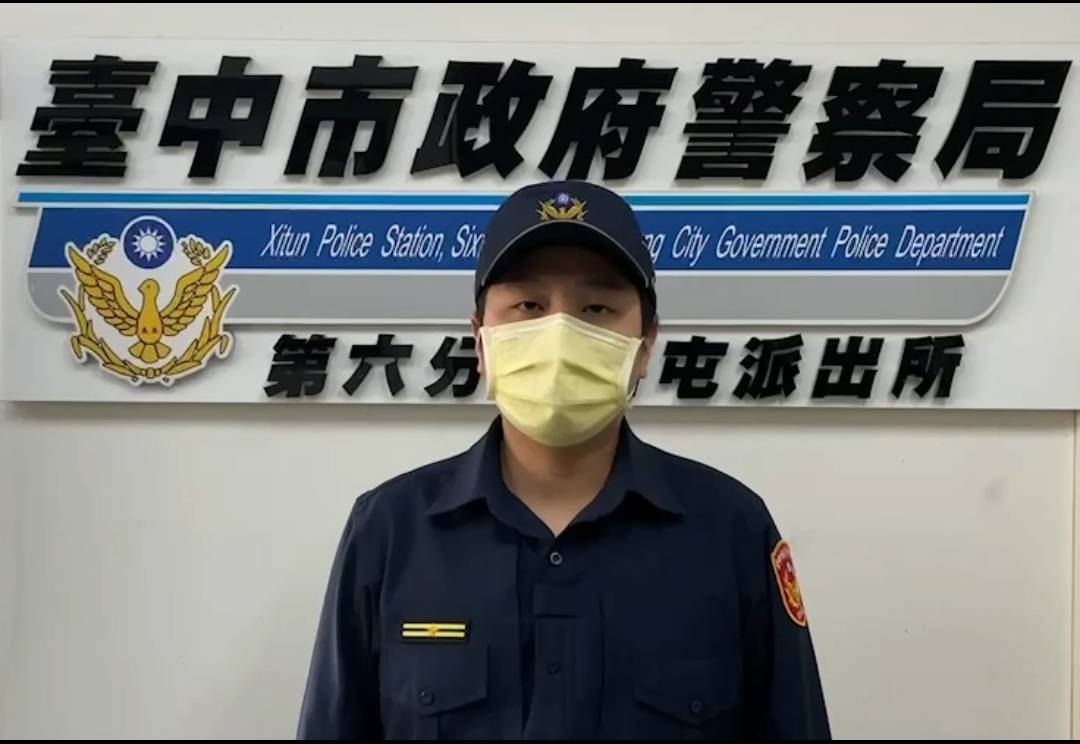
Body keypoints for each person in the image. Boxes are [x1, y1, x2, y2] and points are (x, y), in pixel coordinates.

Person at [296, 180, 831, 740]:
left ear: (645, 345)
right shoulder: (389, 530)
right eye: (528, 306)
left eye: (596, 308)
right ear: (481, 340)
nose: (559, 332)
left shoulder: (731, 530)